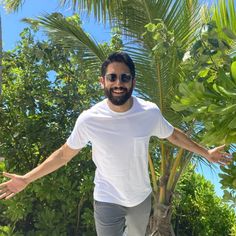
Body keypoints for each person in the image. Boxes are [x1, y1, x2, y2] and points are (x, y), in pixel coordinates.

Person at [0, 52, 232, 236]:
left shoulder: (149, 112)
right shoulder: (89, 118)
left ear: (133, 80)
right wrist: (27, 178)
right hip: (106, 198)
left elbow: (173, 135)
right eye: (112, 77)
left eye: (124, 77)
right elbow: (63, 155)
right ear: (102, 82)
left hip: (140, 198)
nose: (118, 83)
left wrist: (206, 153)